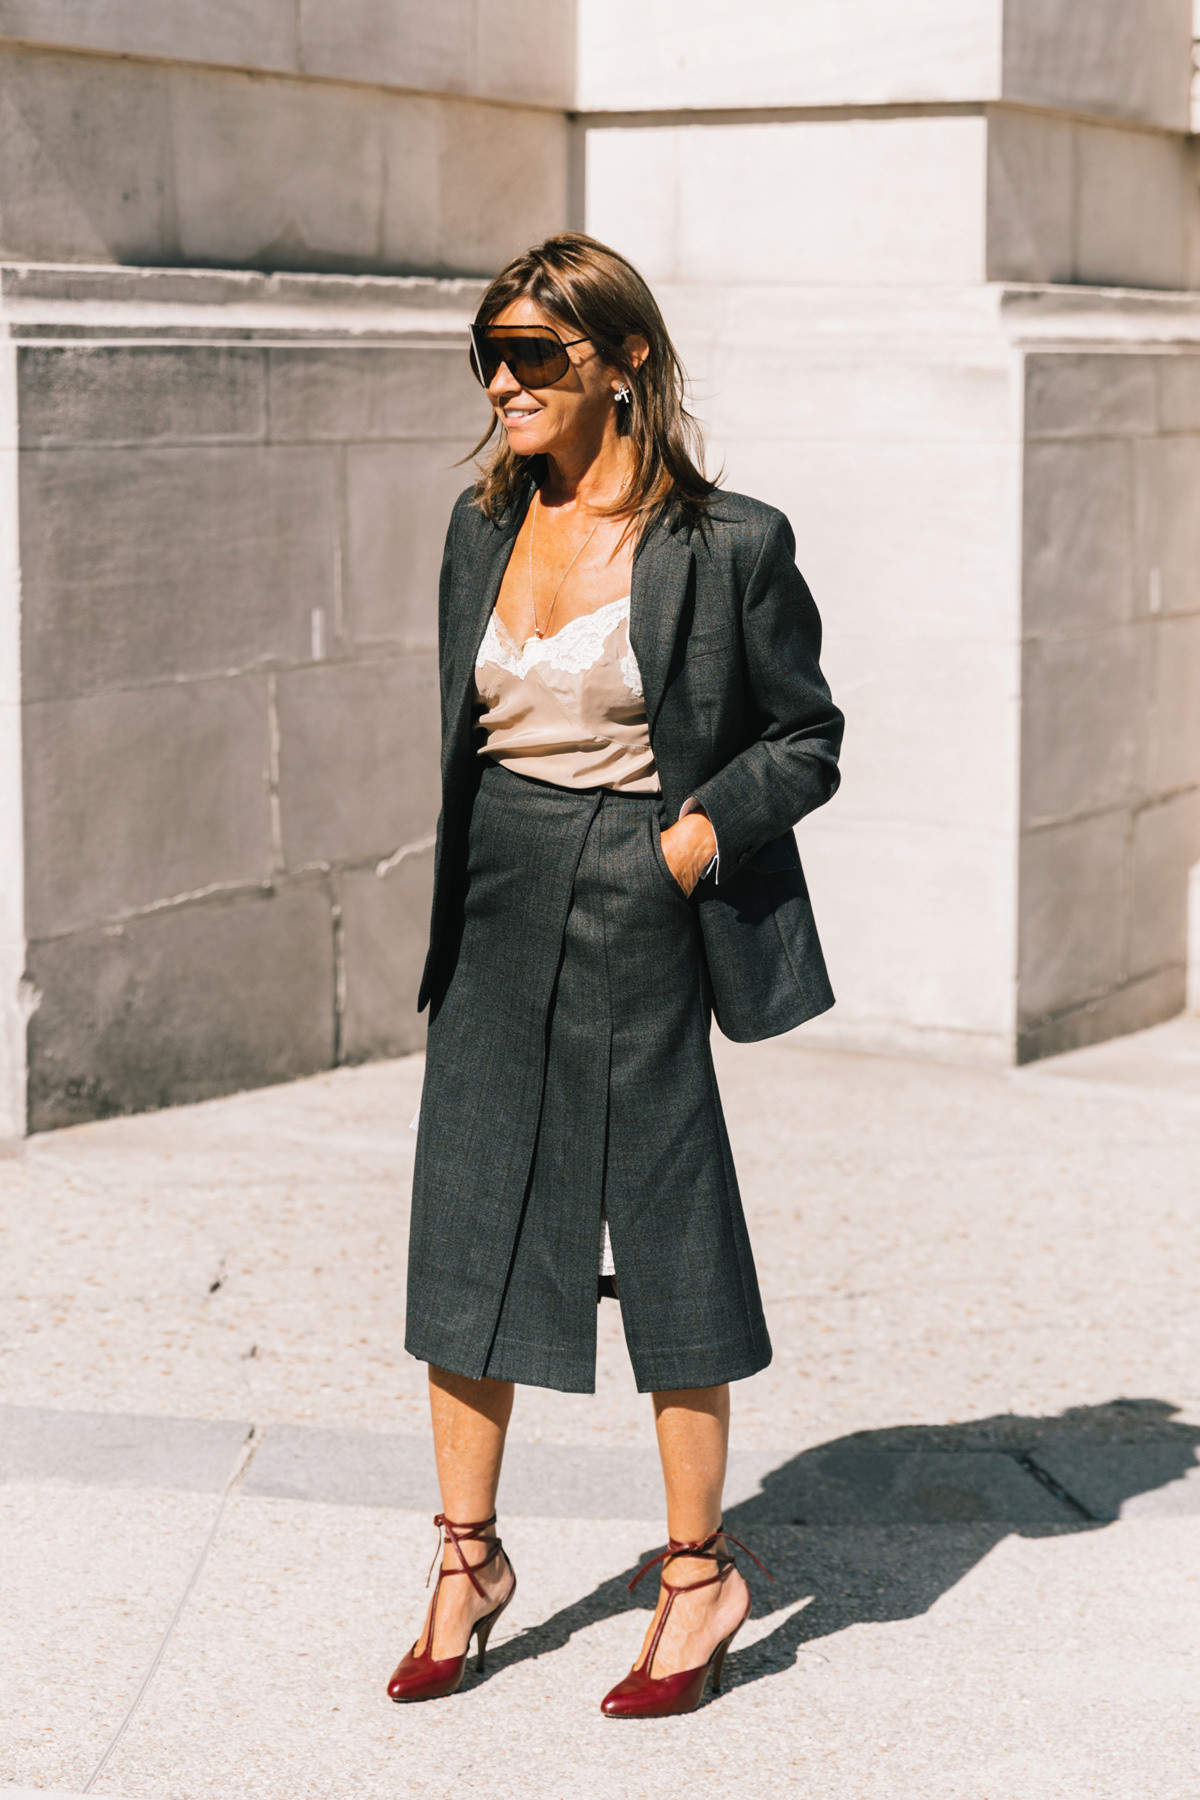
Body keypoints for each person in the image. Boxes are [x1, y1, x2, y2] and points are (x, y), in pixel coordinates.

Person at [387, 232, 843, 1717]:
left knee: (665, 1221)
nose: (505, 382)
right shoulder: (481, 525)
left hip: (644, 885)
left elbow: (808, 736)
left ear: (624, 361)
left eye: (536, 354)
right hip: (497, 890)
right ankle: (467, 1558)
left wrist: (697, 837)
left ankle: (698, 1575)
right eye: (491, 355)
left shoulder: (729, 543)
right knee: (469, 1223)